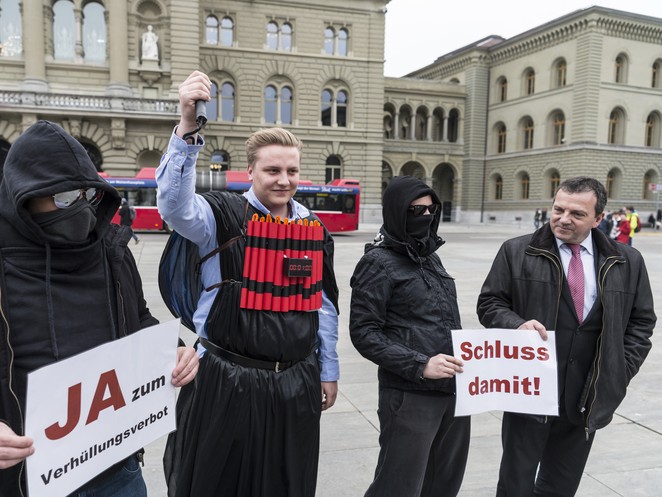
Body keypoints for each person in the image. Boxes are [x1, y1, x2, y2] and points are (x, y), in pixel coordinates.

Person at [156, 71, 340, 497]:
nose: (284, 180)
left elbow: (324, 306)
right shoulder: (218, 216)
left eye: (292, 170)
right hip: (225, 382)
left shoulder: (314, 228)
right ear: (251, 170)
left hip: (295, 382)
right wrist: (187, 127)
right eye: (273, 170)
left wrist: (327, 370)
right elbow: (174, 207)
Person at [0, 120, 199, 496]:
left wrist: (171, 350)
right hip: (27, 478)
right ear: (24, 196)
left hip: (117, 468)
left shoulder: (112, 251)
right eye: (63, 198)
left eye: (86, 194)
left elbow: (140, 317)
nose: (79, 208)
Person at [476, 176, 655, 497]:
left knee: (561, 487)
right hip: (529, 391)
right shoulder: (517, 251)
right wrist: (516, 324)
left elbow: (641, 322)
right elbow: (489, 304)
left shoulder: (627, 261)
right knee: (515, 486)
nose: (563, 219)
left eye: (577, 214)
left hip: (587, 396)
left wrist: (619, 369)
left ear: (599, 218)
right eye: (558, 209)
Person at [349, 175, 470, 497]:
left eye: (431, 210)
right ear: (397, 211)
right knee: (399, 485)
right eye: (416, 211)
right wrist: (420, 364)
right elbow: (364, 332)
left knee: (443, 483)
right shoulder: (377, 262)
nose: (426, 217)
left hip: (454, 390)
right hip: (410, 394)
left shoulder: (430, 257)